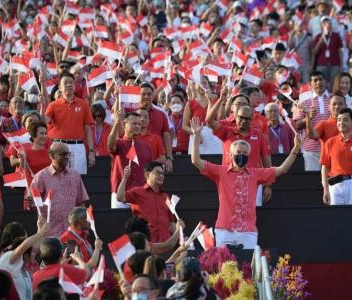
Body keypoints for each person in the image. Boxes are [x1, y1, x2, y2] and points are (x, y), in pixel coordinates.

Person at [191, 117, 301, 248]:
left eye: (244, 153)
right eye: (238, 152)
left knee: (247, 266)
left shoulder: (255, 173)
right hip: (225, 229)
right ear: (231, 155)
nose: (241, 155)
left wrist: (296, 148)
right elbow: (196, 161)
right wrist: (197, 135)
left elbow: (282, 169)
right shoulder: (220, 172)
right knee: (223, 266)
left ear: (248, 157)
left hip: (248, 231)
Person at [31, 142, 89, 237]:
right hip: (49, 234)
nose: (66, 157)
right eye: (62, 154)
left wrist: (84, 225)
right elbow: (34, 202)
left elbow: (80, 203)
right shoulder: (41, 176)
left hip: (72, 233)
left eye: (68, 154)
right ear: (51, 155)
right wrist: (32, 202)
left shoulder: (75, 175)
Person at [44, 73, 95, 174]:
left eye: (71, 82)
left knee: (77, 179)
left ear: (75, 86)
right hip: (58, 146)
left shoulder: (83, 104)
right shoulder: (53, 105)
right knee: (57, 177)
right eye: (65, 83)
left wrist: (91, 151)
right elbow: (44, 122)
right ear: (60, 87)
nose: (68, 85)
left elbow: (88, 130)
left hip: (78, 147)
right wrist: (42, 105)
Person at [117, 161, 174, 243]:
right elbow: (120, 197)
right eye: (158, 173)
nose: (161, 176)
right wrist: (125, 178)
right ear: (147, 175)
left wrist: (181, 235)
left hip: (166, 245)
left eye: (162, 173)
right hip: (146, 245)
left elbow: (171, 224)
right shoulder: (137, 192)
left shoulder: (166, 197)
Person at [108, 112, 153, 209]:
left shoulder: (147, 147)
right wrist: (116, 123)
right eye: (134, 123)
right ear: (124, 124)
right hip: (119, 195)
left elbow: (151, 172)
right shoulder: (119, 143)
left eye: (139, 124)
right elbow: (110, 145)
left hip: (141, 196)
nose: (137, 126)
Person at [0, 217, 49, 299]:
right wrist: (42, 232)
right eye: (32, 252)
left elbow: (32, 247)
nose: (34, 254)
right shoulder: (8, 256)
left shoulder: (25, 272)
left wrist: (40, 228)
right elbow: (24, 247)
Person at [32, 237, 101, 291]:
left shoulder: (35, 275)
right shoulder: (63, 270)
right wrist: (77, 258)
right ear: (62, 254)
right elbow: (87, 273)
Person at [294, 71, 331, 171]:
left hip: (331, 149)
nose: (319, 82)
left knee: (332, 183)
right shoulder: (304, 102)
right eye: (315, 80)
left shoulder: (334, 101)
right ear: (310, 84)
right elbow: (297, 125)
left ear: (325, 81)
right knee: (313, 182)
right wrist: (309, 117)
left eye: (321, 79)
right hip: (311, 150)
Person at [312, 16, 343, 89]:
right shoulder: (318, 37)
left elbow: (340, 51)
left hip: (334, 64)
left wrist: (341, 65)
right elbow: (314, 53)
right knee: (321, 84)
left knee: (335, 84)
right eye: (324, 23)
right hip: (321, 64)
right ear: (321, 25)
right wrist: (319, 43)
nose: (327, 25)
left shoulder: (336, 36)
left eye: (328, 23)